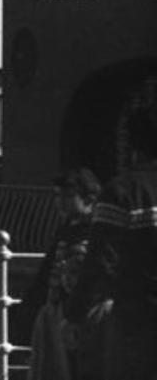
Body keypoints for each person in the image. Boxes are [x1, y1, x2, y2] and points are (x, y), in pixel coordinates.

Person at [69, 72, 157, 380]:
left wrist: (74, 312)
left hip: (138, 323)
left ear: (132, 144)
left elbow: (100, 262)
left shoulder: (123, 191)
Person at [25, 168, 100, 380]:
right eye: (57, 196)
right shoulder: (66, 228)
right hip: (58, 308)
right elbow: (49, 269)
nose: (60, 202)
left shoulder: (97, 231)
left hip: (85, 312)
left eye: (67, 196)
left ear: (88, 199)